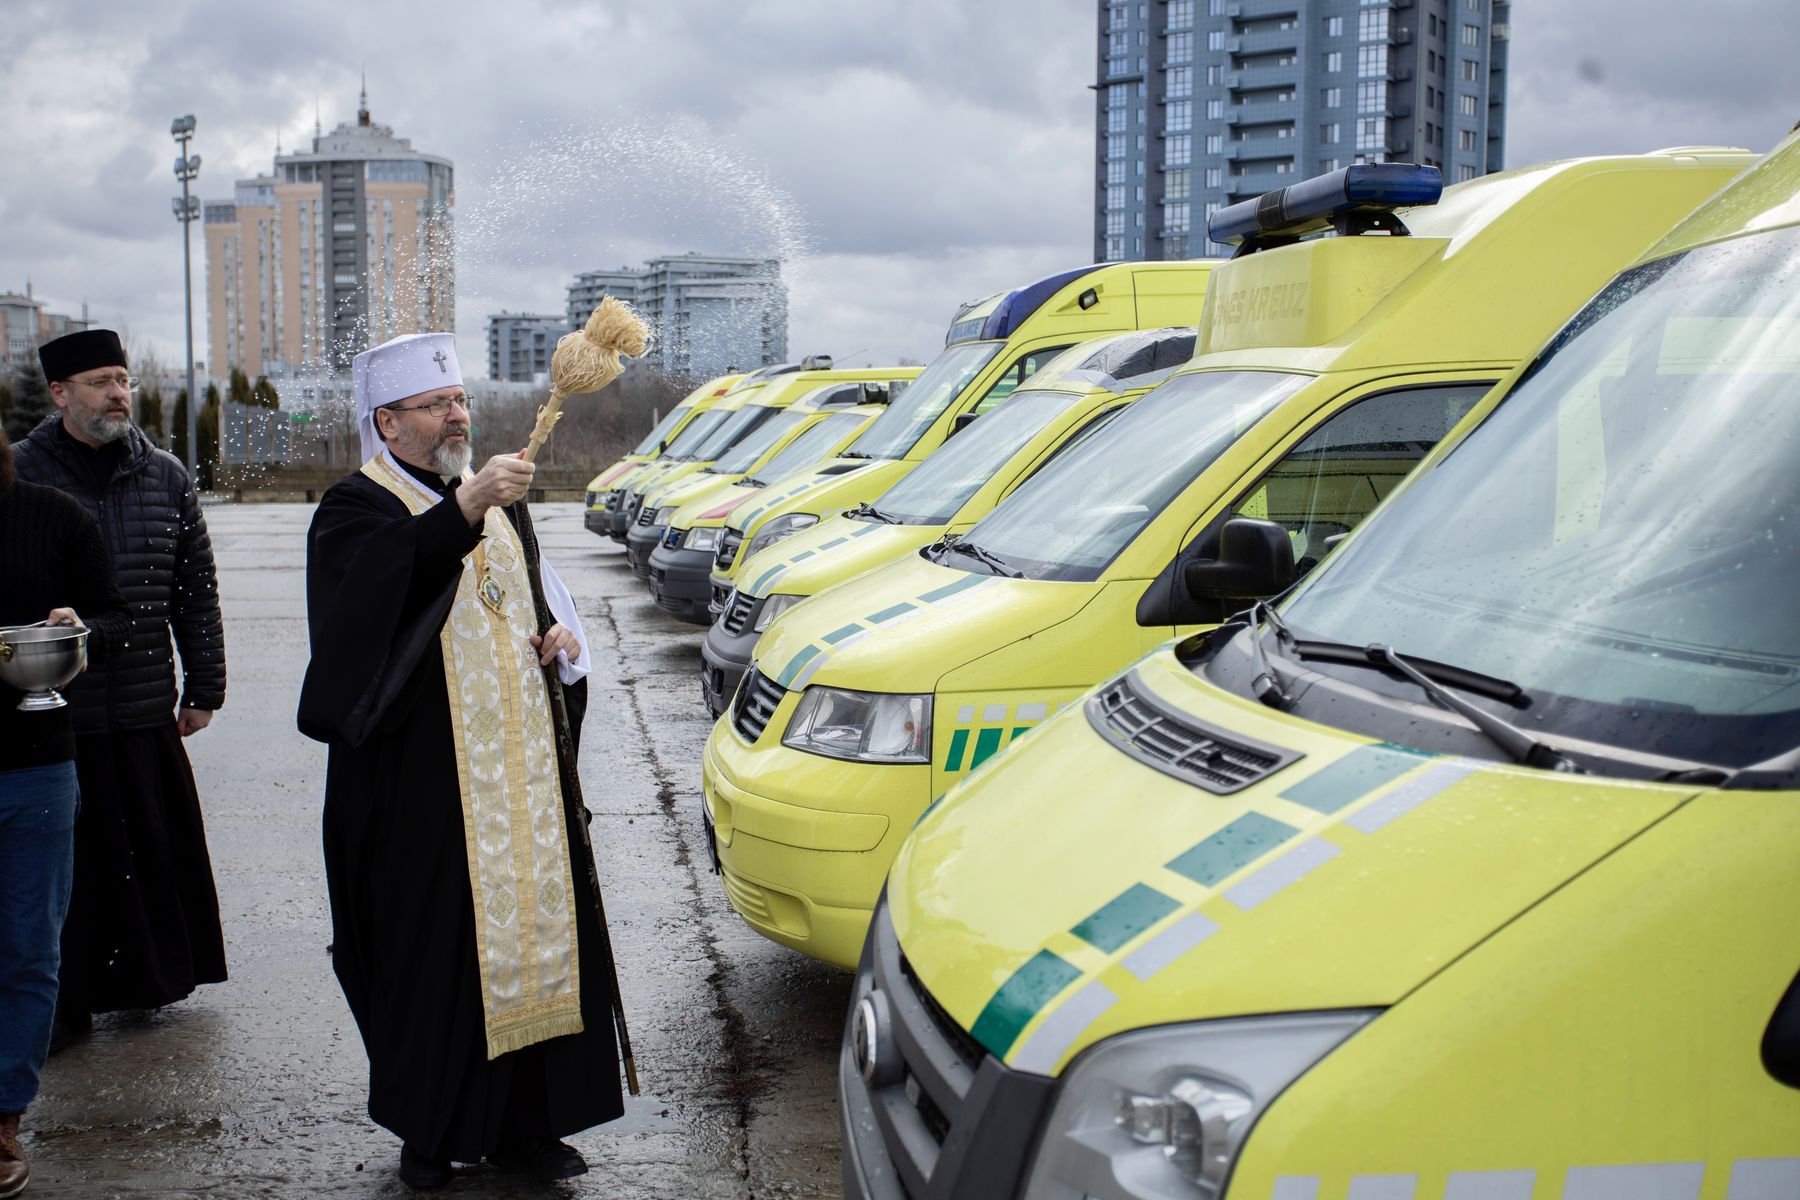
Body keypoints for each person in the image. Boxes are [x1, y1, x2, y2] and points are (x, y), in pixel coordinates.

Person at [297, 333, 625, 1189]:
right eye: (437, 405)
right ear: (388, 421)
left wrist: (560, 645)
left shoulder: (502, 501)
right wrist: (463, 508)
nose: (458, 416)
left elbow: (547, 609)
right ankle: (432, 1129)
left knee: (540, 942)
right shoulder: (354, 508)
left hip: (520, 782)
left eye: (460, 400)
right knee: (432, 953)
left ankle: (529, 1125)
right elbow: (364, 617)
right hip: (422, 790)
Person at [11, 330, 228, 1046]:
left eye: (123, 379)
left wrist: (204, 686)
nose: (118, 394)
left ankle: (147, 984)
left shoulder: (164, 475)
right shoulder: (20, 476)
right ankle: (64, 1003)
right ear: (60, 394)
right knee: (66, 874)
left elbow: (195, 591)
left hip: (139, 703)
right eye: (100, 381)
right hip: (47, 718)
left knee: (146, 858)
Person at [0, 424, 132, 1197]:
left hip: (34, 769)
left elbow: (115, 617)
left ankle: (5, 1118)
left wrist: (75, 632)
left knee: (25, 950)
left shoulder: (55, 517)